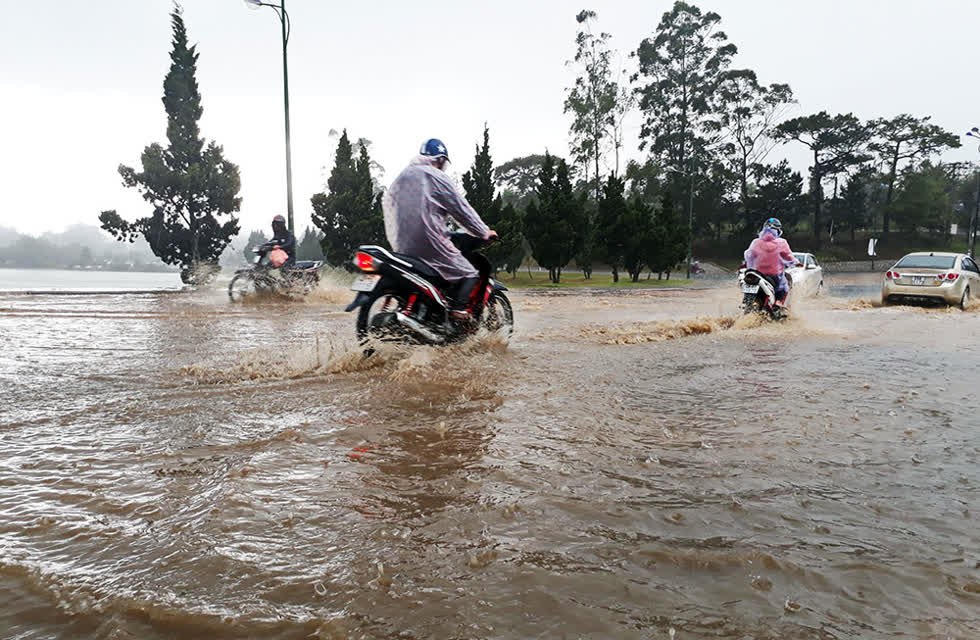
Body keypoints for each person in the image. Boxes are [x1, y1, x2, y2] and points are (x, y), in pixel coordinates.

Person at [382, 138, 497, 317]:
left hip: (402, 244)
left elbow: (390, 205)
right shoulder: (438, 177)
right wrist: (483, 231)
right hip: (429, 241)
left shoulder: (403, 175)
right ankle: (459, 309)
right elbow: (461, 209)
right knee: (469, 273)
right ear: (441, 159)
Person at [743, 218, 797, 304]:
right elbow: (789, 257)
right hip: (775, 276)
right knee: (784, 288)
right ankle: (779, 304)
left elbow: (749, 255)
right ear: (778, 231)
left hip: (757, 274)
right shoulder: (782, 242)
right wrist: (795, 262)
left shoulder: (756, 242)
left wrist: (747, 265)